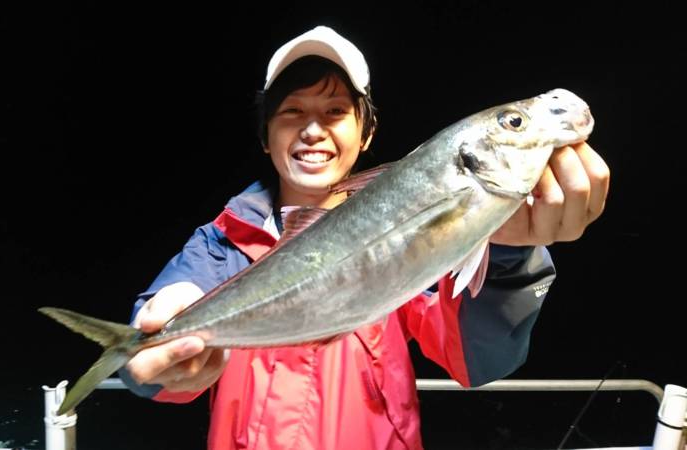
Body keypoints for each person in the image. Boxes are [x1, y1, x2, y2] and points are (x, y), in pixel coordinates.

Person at [118, 25, 610, 449]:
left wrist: (507, 252)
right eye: (291, 112)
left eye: (335, 111)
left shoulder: (402, 219)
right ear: (266, 136)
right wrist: (154, 355)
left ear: (365, 132)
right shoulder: (221, 244)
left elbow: (476, 358)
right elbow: (153, 363)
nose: (313, 129)